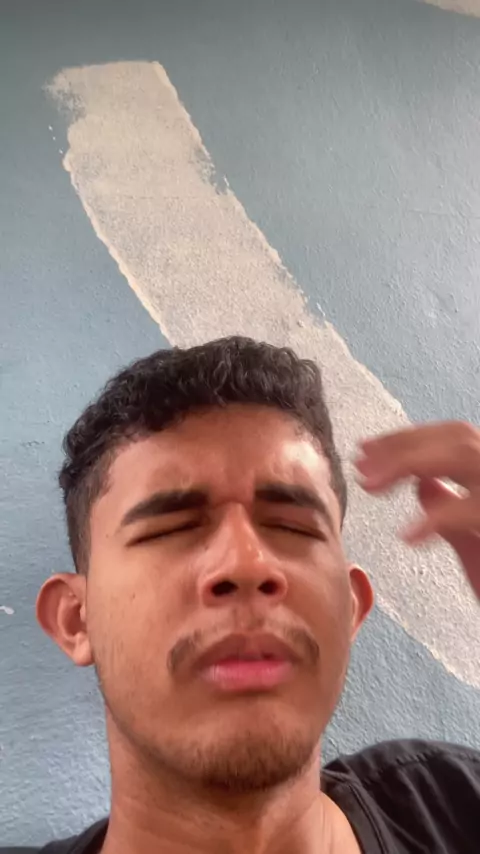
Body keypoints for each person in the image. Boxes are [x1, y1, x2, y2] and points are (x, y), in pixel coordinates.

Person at [5, 336, 480, 854]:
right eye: (171, 529)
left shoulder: (459, 807)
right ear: (76, 620)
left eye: (293, 526)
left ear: (350, 607)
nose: (247, 564)